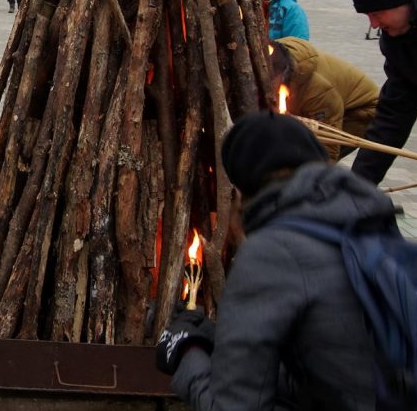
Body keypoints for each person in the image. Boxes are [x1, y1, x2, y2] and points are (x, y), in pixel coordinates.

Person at [157, 111, 382, 410]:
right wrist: (216, 337)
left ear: (240, 192)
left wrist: (186, 351)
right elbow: (330, 369)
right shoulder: (369, 223)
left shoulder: (271, 253)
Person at [350, 0, 417, 185]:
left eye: (377, 13)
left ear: (401, 2)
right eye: (368, 16)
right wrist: (356, 187)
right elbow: (392, 117)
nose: (373, 24)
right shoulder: (396, 40)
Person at [269, 37, 378, 161]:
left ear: (283, 76)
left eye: (271, 82)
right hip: (320, 108)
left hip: (360, 111)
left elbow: (329, 145)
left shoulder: (316, 89)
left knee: (311, 158)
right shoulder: (272, 57)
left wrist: (320, 170)